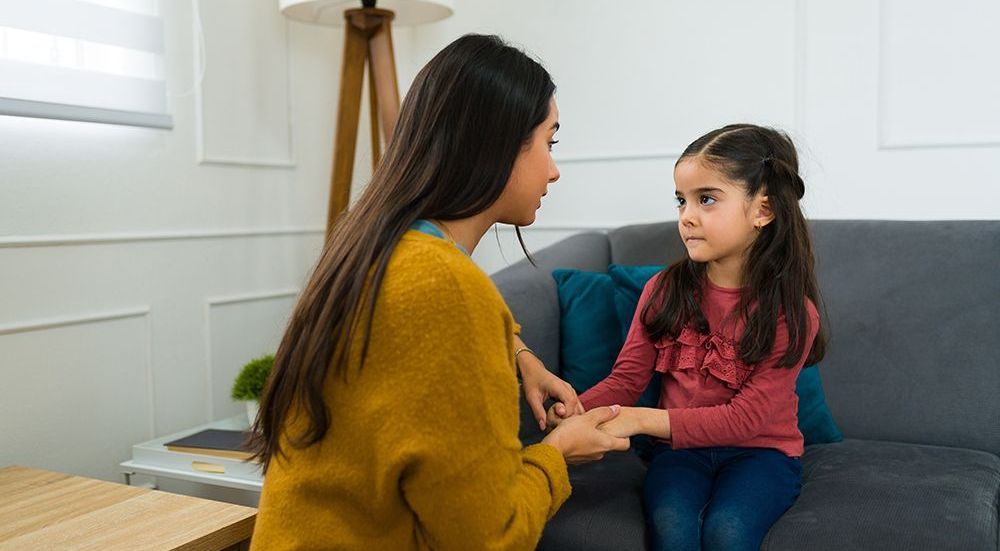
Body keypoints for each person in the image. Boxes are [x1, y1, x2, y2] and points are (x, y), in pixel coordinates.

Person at [248, 34, 629, 551]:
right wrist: (556, 455)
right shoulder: (445, 288)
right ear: (495, 143)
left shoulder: (379, 248)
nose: (554, 169)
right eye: (549, 141)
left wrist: (519, 355)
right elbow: (490, 538)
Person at [550, 123, 828, 551]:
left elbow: (745, 420)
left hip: (761, 452)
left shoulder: (790, 312)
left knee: (728, 531)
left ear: (763, 211)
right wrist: (577, 411)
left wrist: (640, 419)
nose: (687, 216)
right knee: (673, 529)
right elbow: (626, 380)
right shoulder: (663, 290)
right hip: (679, 454)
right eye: (681, 200)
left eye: (707, 199)